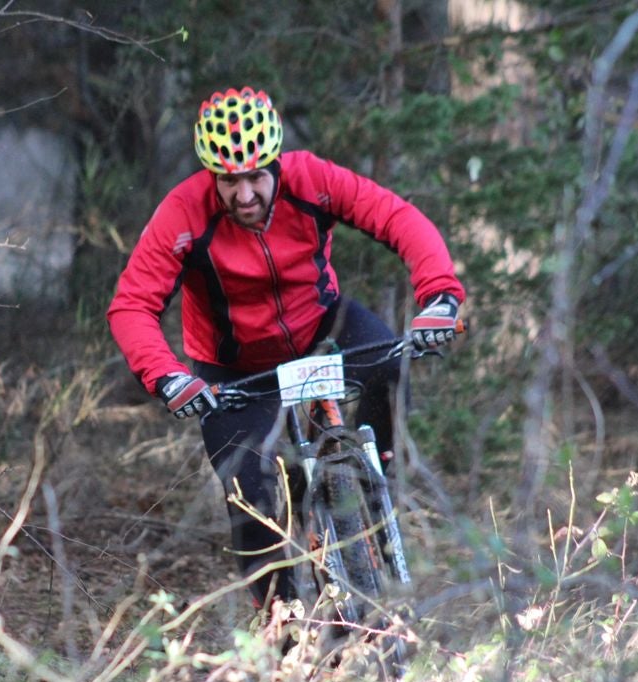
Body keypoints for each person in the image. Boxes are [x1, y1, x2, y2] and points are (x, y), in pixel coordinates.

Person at [106, 86, 465, 608]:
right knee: (250, 503)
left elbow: (398, 218)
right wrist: (170, 376)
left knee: (392, 366)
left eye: (256, 176)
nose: (245, 194)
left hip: (322, 327)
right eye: (229, 180)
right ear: (212, 176)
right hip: (234, 369)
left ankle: (376, 479)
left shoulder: (312, 179)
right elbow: (132, 305)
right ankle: (282, 632)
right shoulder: (184, 213)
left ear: (276, 162)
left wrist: (438, 296)